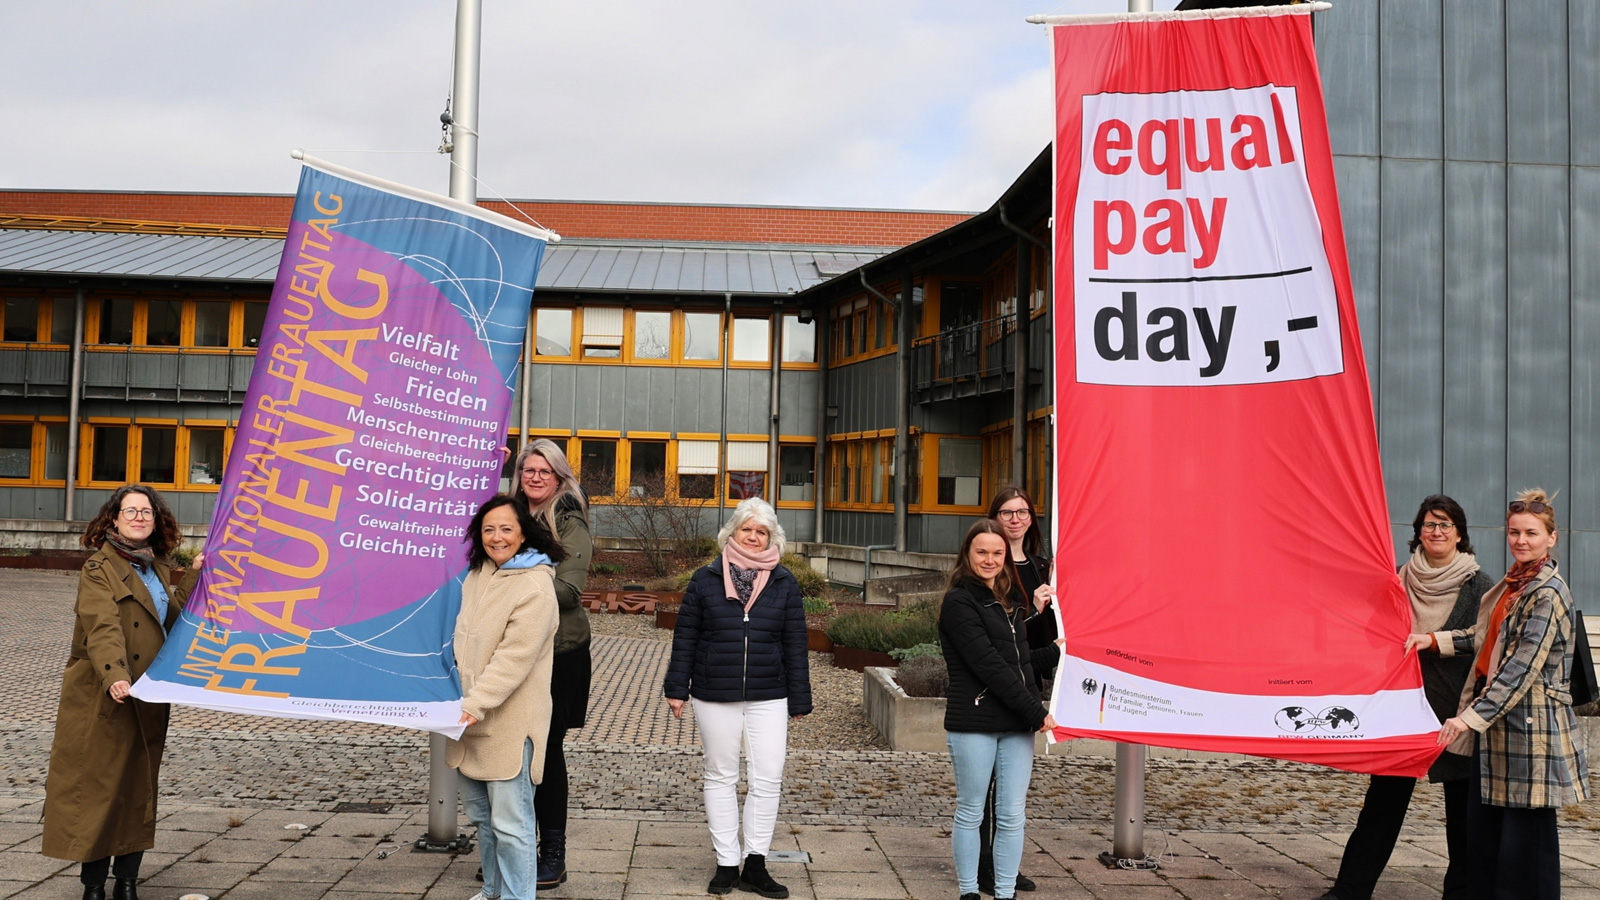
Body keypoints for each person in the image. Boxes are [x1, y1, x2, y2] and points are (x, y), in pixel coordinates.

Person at [1316, 495, 1493, 900]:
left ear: (1460, 534)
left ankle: (1462, 893)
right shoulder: (1397, 579)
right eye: (1429, 525)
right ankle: (1349, 891)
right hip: (1403, 711)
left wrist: (1433, 643)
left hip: (1456, 713)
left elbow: (1484, 641)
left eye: (1445, 525)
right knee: (1382, 806)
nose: (1436, 532)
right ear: (1417, 534)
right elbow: (1371, 632)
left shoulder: (1481, 586)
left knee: (1461, 816)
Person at [42, 485, 202, 900]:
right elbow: (102, 625)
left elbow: (173, 618)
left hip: (147, 690)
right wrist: (115, 674)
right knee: (99, 788)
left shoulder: (156, 567)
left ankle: (127, 882)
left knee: (137, 787)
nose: (138, 517)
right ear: (113, 518)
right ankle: (94, 885)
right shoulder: (99, 567)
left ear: (156, 519)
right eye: (129, 511)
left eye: (146, 511)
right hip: (105, 691)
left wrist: (198, 572)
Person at [1435, 489, 1589, 900]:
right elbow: (1486, 639)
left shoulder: (1547, 593)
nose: (1522, 541)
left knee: (1527, 847)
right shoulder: (1513, 586)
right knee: (1487, 838)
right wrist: (1433, 640)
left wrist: (1467, 717)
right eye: (1515, 532)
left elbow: (1520, 669)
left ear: (1551, 538)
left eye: (1532, 534)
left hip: (1530, 733)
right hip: (1497, 729)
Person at [663, 497, 812, 899]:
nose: (753, 536)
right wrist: (677, 688)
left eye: (761, 531)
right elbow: (686, 637)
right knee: (721, 775)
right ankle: (727, 862)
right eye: (747, 528)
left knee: (767, 778)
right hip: (715, 692)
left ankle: (756, 864)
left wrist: (799, 697)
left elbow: (796, 642)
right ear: (732, 532)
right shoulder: (705, 578)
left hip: (770, 694)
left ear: (771, 538)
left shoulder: (784, 581)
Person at [450, 495, 563, 900]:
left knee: (512, 825)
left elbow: (514, 659)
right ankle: (494, 891)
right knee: (482, 819)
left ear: (523, 534)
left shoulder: (534, 584)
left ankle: (519, 897)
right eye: (489, 529)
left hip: (508, 723)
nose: (497, 537)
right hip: (468, 721)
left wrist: (474, 704)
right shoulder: (478, 573)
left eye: (506, 529)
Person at [940, 519, 1057, 900]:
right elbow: (988, 665)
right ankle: (970, 892)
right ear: (967, 555)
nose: (989, 560)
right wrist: (1037, 712)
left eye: (997, 553)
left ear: (1006, 557)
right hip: (975, 723)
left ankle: (1005, 893)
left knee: (1011, 816)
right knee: (973, 812)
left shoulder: (1009, 601)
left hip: (1015, 725)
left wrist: (1060, 650)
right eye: (981, 552)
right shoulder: (959, 602)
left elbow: (1020, 664)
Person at [509, 439, 593, 889]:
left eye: (544, 471)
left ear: (560, 477)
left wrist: (514, 584)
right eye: (528, 471)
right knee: (511, 753)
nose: (535, 477)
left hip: (560, 654)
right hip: (512, 654)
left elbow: (569, 593)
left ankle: (552, 854)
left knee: (547, 751)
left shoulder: (568, 520)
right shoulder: (508, 517)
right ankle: (513, 851)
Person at [977, 486, 1057, 894]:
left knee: (1011, 785)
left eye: (1022, 511)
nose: (1015, 519)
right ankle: (982, 866)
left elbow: (1049, 635)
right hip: (998, 682)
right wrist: (1036, 612)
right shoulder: (991, 565)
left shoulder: (1045, 566)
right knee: (986, 783)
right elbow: (1000, 637)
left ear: (1031, 518)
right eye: (1007, 512)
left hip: (1030, 676)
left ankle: (1003, 864)